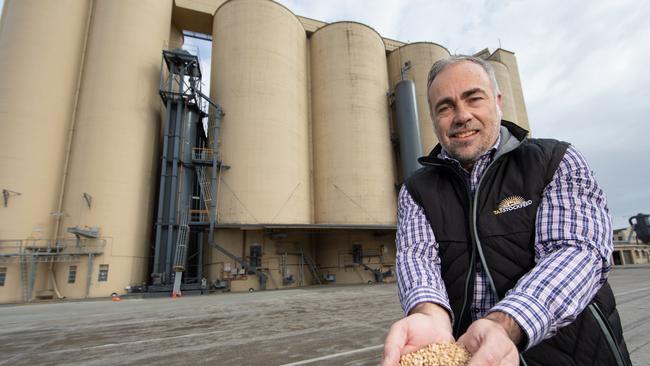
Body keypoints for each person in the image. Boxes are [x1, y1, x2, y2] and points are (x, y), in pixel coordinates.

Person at [381, 55, 631, 366]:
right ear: (432, 118)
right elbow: (417, 257)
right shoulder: (417, 190)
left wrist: (506, 324)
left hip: (575, 355)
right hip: (467, 355)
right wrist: (428, 313)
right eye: (444, 107)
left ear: (498, 101)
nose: (461, 116)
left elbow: (577, 250)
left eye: (474, 98)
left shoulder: (555, 160)